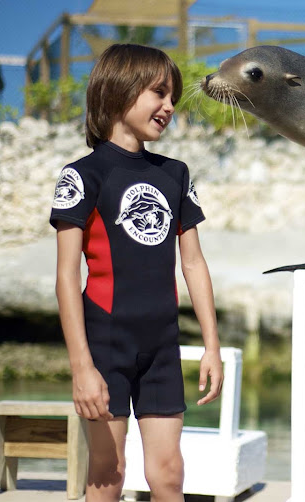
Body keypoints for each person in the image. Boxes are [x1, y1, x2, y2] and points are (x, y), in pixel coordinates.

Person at [50, 44, 223, 502]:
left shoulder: (176, 174)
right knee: (110, 470)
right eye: (159, 93)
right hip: (106, 343)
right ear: (119, 89)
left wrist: (211, 346)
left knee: (168, 474)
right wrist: (81, 367)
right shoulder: (82, 176)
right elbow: (67, 276)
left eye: (173, 97)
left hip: (161, 345)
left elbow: (193, 263)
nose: (169, 106)